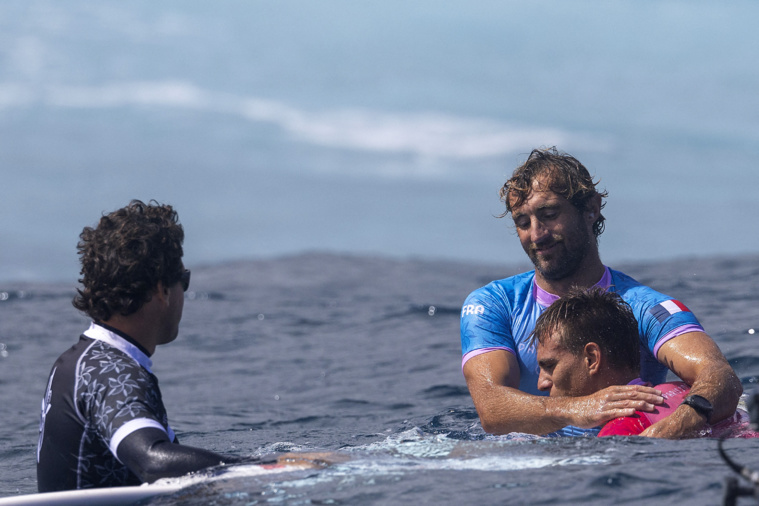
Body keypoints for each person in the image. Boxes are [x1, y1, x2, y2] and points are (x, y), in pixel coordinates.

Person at [460, 147, 742, 438]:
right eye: (522, 222)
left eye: (549, 214)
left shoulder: (646, 307)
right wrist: (581, 408)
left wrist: (679, 425)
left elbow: (720, 377)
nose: (536, 234)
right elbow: (491, 410)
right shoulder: (494, 305)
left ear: (591, 209)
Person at [36, 200, 235, 492]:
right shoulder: (111, 372)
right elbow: (154, 461)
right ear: (161, 289)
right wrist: (265, 467)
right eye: (184, 280)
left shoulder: (81, 360)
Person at [532, 287, 755, 438]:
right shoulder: (682, 389)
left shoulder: (622, 429)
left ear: (591, 358)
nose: (542, 383)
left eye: (550, 366)